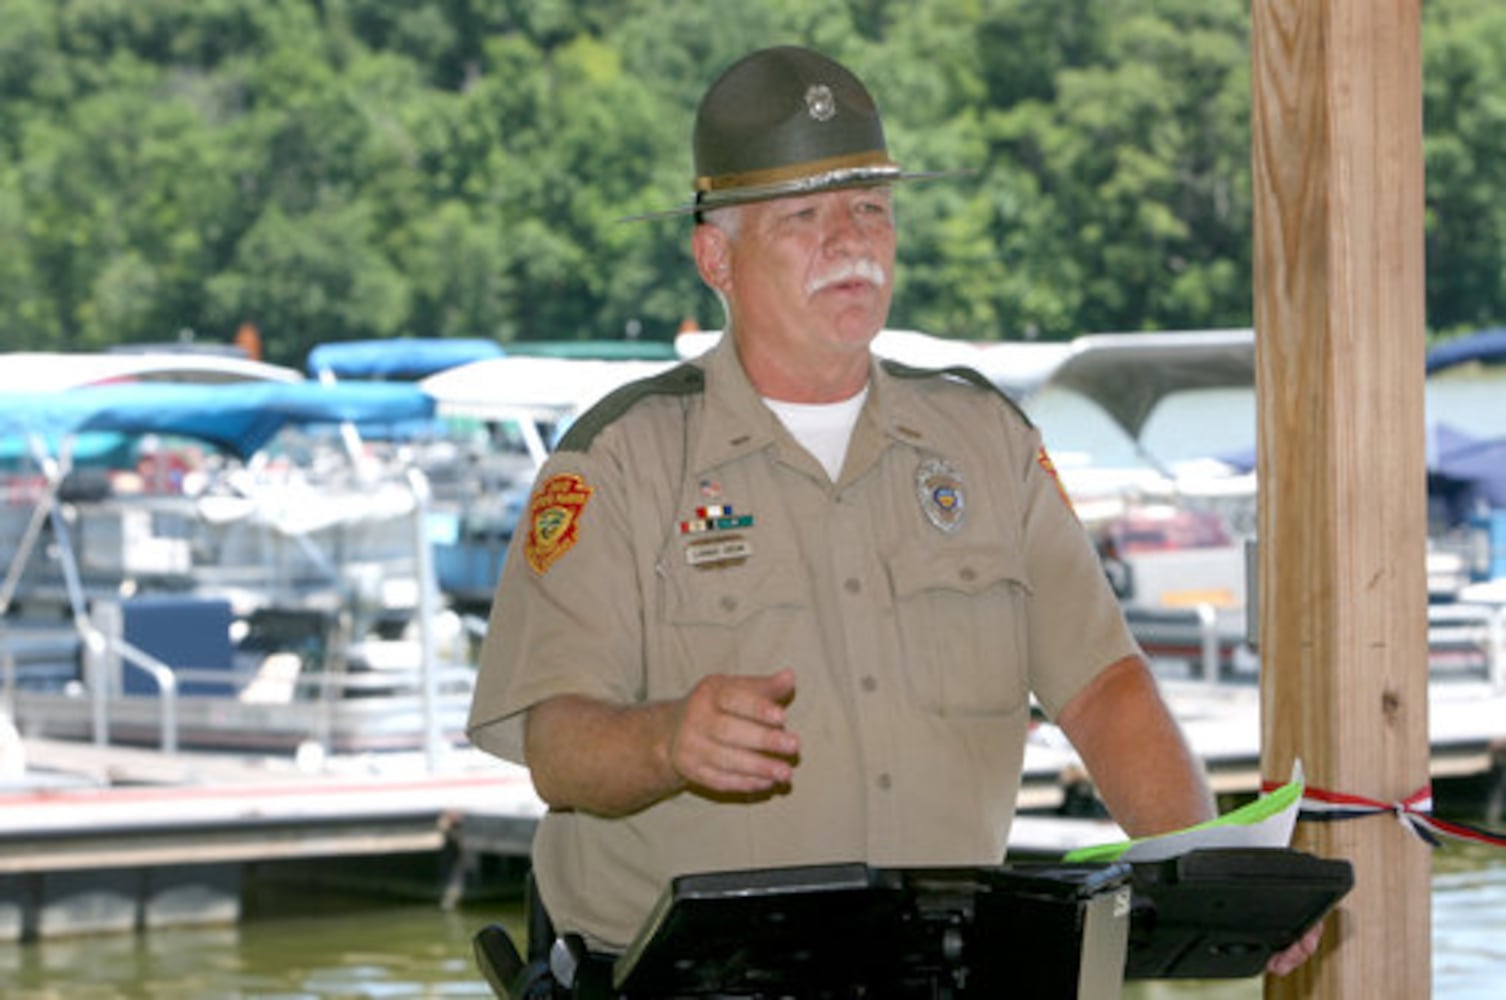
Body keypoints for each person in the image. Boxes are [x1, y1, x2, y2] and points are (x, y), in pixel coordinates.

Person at [468, 44, 1320, 977]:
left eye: (870, 207)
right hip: (686, 980)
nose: (851, 240)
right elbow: (554, 744)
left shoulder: (985, 440)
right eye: (804, 215)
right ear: (716, 254)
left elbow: (1104, 689)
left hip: (945, 971)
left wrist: (1212, 879)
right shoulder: (621, 459)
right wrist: (667, 740)